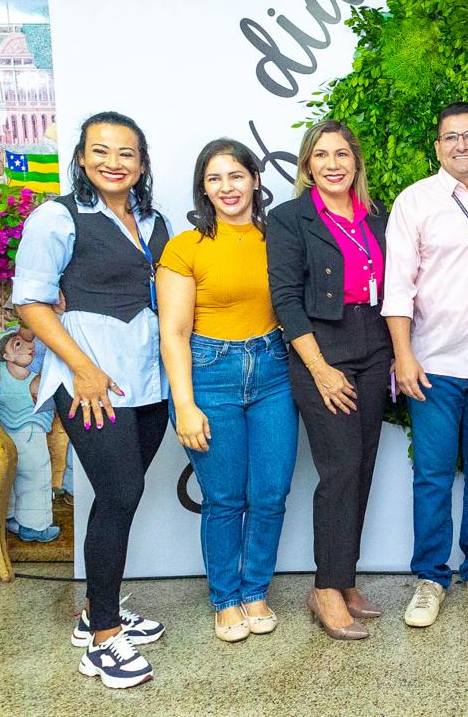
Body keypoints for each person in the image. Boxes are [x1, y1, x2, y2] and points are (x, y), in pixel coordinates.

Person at [12, 111, 169, 688]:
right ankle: (103, 639)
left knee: (118, 496)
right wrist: (82, 368)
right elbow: (30, 300)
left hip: (148, 382)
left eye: (126, 153)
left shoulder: (156, 221)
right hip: (90, 382)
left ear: (142, 163)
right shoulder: (57, 216)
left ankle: (95, 610)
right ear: (80, 157)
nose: (113, 162)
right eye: (100, 151)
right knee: (122, 490)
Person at [157, 139, 298, 642]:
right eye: (214, 178)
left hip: (273, 371)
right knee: (224, 498)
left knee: (270, 493)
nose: (227, 187)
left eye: (236, 175)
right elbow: (172, 332)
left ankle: (255, 589)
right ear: (203, 188)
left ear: (256, 181)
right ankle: (225, 598)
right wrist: (186, 404)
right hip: (209, 373)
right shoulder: (186, 246)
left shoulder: (277, 236)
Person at [382, 102, 468, 627]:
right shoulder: (415, 202)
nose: (462, 144)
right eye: (451, 137)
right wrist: (404, 355)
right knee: (434, 477)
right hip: (435, 364)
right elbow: (398, 288)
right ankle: (430, 576)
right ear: (438, 147)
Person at [267, 119, 392, 641]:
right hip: (322, 346)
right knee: (339, 468)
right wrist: (320, 370)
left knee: (361, 468)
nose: (333, 163)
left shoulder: (376, 217)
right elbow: (285, 300)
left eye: (342, 154)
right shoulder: (289, 218)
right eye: (321, 155)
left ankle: (344, 579)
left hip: (374, 342)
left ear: (355, 162)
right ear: (306, 165)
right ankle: (324, 589)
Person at [0, 327, 60, 542]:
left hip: (7, 428)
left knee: (12, 473)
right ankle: (34, 526)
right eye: (18, 344)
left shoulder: (0, 371)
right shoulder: (32, 379)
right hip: (29, 431)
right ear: (6, 355)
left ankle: (11, 516)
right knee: (36, 475)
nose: (30, 346)